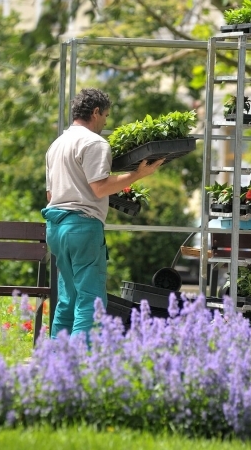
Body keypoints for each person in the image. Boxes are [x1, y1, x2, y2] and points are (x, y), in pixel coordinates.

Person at [42, 88, 164, 339]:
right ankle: (81, 365)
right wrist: (138, 175)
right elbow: (100, 188)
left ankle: (54, 362)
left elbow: (50, 195)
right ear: (95, 112)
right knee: (90, 301)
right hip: (82, 227)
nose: (106, 122)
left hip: (56, 226)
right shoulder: (95, 143)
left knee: (67, 299)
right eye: (106, 115)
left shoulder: (56, 145)